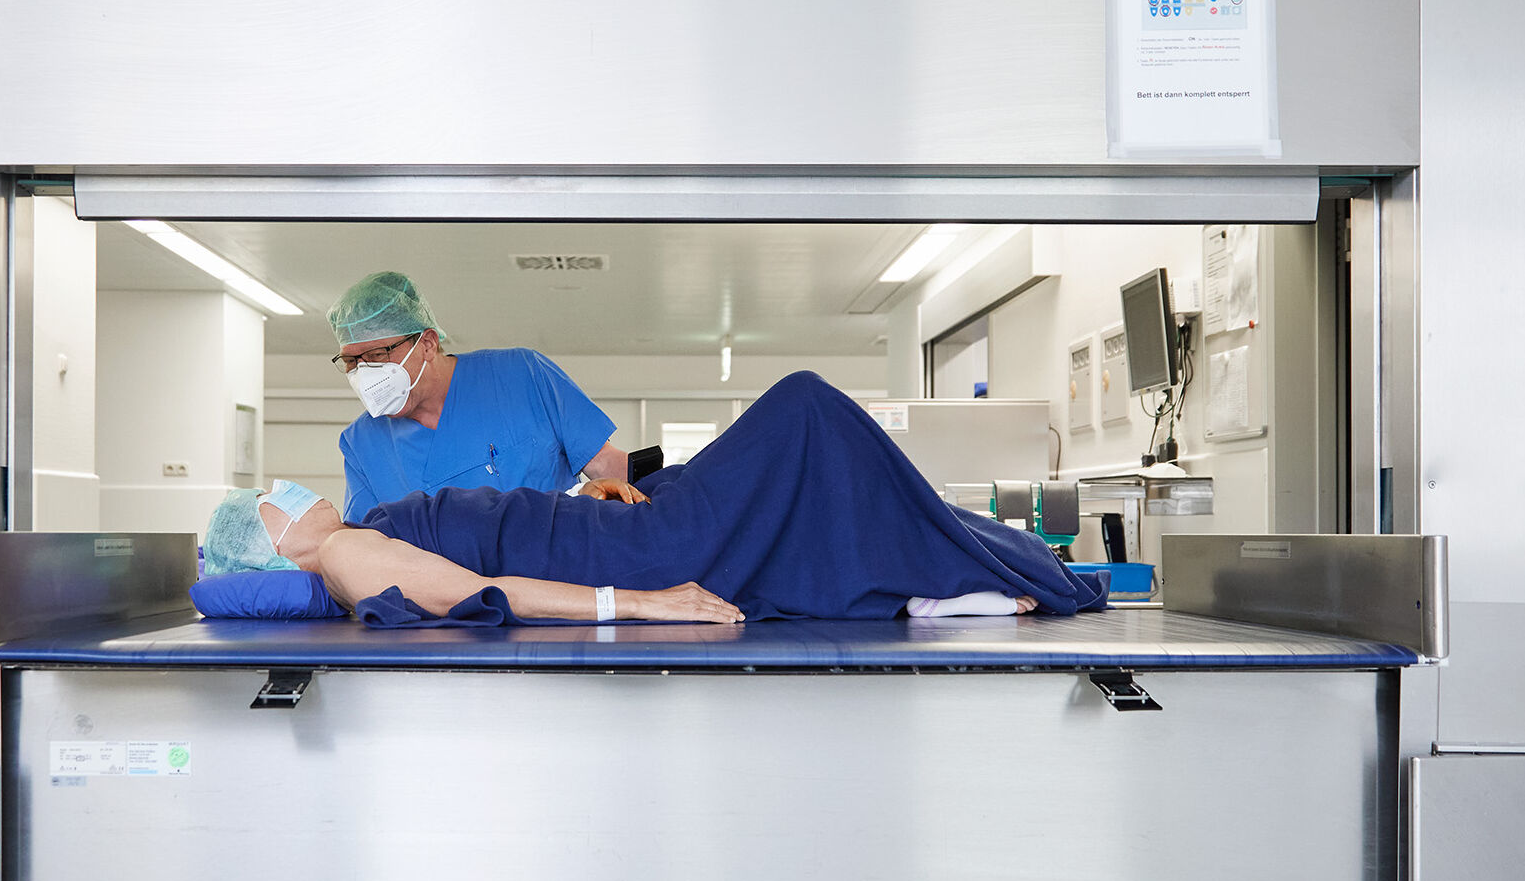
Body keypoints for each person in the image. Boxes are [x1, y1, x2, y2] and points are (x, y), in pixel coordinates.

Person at [206, 372, 1104, 625]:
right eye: (271, 499)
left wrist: (598, 496)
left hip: (608, 528)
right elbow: (486, 594)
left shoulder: (354, 534)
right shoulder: (340, 553)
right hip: (625, 557)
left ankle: (925, 582)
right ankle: (976, 567)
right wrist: (638, 603)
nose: (287, 490)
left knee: (754, 471)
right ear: (273, 543)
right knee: (805, 411)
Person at [327, 271, 630, 525]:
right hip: (442, 582)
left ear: (428, 344)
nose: (365, 373)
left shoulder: (522, 375)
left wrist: (660, 493)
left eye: (377, 355)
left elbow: (608, 467)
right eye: (351, 362)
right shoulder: (361, 444)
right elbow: (364, 544)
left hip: (558, 569)